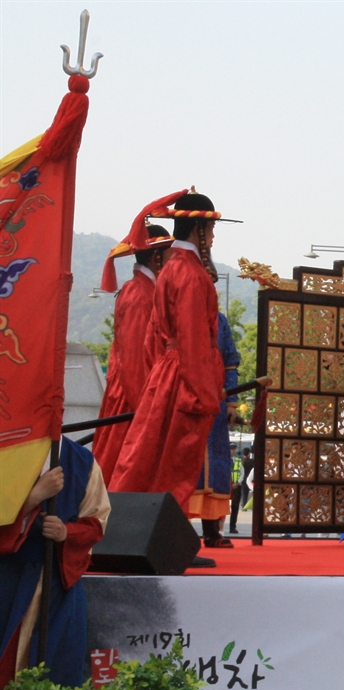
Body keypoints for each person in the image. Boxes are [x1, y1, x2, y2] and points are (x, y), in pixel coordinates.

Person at [113, 190, 233, 568]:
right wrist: (203, 393)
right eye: (210, 228)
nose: (212, 237)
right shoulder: (192, 275)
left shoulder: (171, 270)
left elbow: (154, 336)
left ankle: (145, 539)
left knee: (155, 459)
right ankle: (167, 542)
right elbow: (197, 340)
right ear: (199, 227)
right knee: (177, 466)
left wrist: (156, 380)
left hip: (167, 373)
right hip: (186, 376)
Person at [0, 438, 110, 688]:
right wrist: (31, 501)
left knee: (57, 670)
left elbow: (96, 521)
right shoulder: (6, 450)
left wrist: (66, 533)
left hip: (56, 582)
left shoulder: (82, 460)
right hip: (8, 576)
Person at [93, 220, 173, 485]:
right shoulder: (139, 294)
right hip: (132, 394)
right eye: (170, 255)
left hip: (137, 390)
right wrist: (146, 410)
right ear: (156, 257)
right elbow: (135, 362)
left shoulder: (146, 290)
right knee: (122, 468)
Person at [189, 311, 241, 549]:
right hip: (185, 399)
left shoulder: (219, 320)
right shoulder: (179, 311)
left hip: (216, 406)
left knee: (216, 468)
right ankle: (176, 534)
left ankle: (212, 532)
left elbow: (231, 361)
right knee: (186, 467)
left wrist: (232, 403)